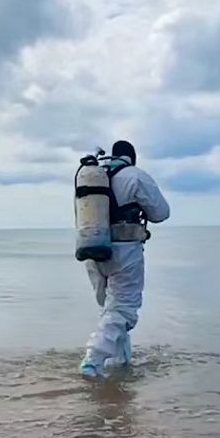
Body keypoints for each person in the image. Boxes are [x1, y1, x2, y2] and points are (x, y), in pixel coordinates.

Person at [80, 140, 170, 380]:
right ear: (132, 158)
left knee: (109, 310)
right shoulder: (135, 176)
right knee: (122, 309)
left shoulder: (95, 175)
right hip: (125, 249)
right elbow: (161, 213)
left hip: (92, 247)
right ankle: (93, 361)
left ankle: (120, 363)